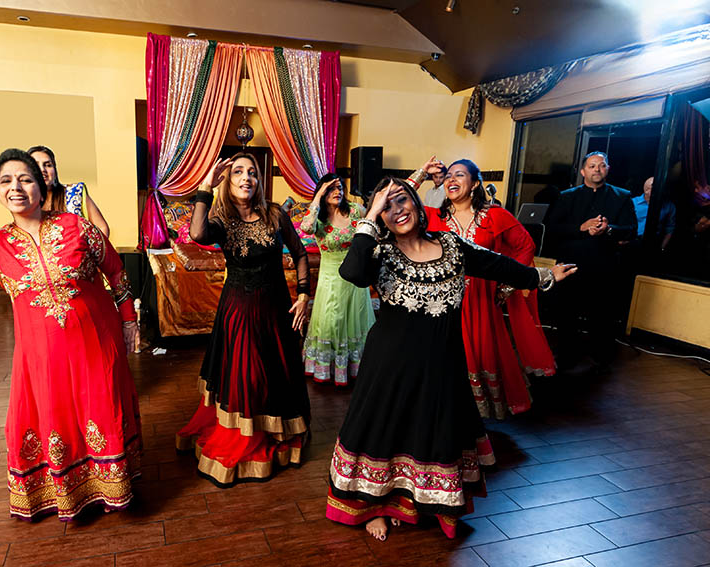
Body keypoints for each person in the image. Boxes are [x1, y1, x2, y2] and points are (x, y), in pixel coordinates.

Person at [326, 177, 576, 541]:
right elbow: (352, 272)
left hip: (442, 364)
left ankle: (412, 503)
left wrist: (543, 277)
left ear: (417, 202)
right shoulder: (380, 255)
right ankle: (372, 507)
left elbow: (497, 266)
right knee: (381, 435)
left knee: (428, 432)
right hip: (390, 367)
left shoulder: (449, 245)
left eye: (403, 201)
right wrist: (371, 214)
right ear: (379, 216)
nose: (398, 211)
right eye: (388, 206)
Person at [0, 151, 142, 521]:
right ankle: (68, 492)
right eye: (6, 181)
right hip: (41, 354)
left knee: (101, 410)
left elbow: (116, 272)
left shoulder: (76, 226)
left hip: (97, 345)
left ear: (41, 187)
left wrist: (129, 320)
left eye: (24, 179)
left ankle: (112, 487)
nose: (15, 187)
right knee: (55, 416)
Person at [176, 152, 312, 486]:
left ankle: (273, 430)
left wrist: (305, 295)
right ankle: (246, 436)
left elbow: (300, 253)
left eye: (251, 172)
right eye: (238, 172)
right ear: (228, 180)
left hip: (277, 309)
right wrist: (205, 187)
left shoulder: (275, 214)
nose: (246, 177)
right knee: (248, 376)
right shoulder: (221, 220)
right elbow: (197, 234)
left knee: (276, 373)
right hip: (239, 311)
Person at [414, 158, 556, 419]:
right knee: (446, 355)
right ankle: (445, 409)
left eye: (459, 175)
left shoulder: (495, 216)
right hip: (445, 302)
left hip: (481, 299)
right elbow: (395, 198)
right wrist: (422, 172)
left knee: (480, 353)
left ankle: (477, 415)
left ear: (475, 183)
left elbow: (526, 246)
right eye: (448, 176)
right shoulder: (435, 218)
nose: (451, 180)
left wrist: (509, 286)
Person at [546, 151, 636, 370]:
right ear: (583, 171)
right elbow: (552, 229)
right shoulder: (566, 196)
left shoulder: (622, 196)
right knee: (567, 313)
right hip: (571, 264)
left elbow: (631, 230)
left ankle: (601, 356)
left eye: (602, 165)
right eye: (592, 166)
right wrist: (581, 227)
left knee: (603, 314)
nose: (597, 169)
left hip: (604, 264)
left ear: (608, 169)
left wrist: (609, 230)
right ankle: (567, 353)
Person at [300, 173, 375, 385]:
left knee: (356, 322)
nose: (338, 191)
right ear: (322, 191)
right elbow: (305, 228)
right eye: (331, 188)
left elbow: (372, 232)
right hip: (330, 278)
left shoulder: (356, 211)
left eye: (340, 187)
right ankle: (326, 370)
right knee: (330, 322)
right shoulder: (318, 218)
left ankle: (354, 369)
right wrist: (317, 198)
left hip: (355, 278)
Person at [28, 145, 110, 237]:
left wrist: (94, 250)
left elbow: (102, 227)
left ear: (54, 170)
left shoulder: (75, 193)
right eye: (36, 165)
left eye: (48, 165)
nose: (43, 170)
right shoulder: (23, 202)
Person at [632, 176, 676, 249]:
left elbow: (670, 229)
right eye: (652, 187)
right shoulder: (633, 203)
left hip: (654, 243)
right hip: (633, 241)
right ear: (646, 189)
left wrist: (662, 248)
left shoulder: (669, 206)